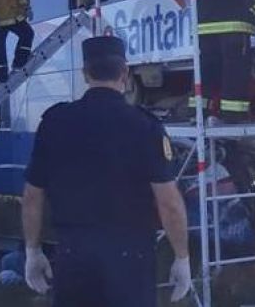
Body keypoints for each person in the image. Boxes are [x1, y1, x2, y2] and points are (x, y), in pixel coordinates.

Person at [21, 36, 192, 306]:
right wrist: (182, 258)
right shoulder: (144, 126)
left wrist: (32, 250)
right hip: (130, 257)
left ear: (86, 74)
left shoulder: (54, 122)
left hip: (72, 253)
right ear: (124, 73)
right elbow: (169, 202)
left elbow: (32, 196)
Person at [195, 0, 255, 122]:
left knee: (206, 73)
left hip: (205, 28)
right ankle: (233, 116)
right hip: (233, 26)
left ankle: (199, 113)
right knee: (235, 72)